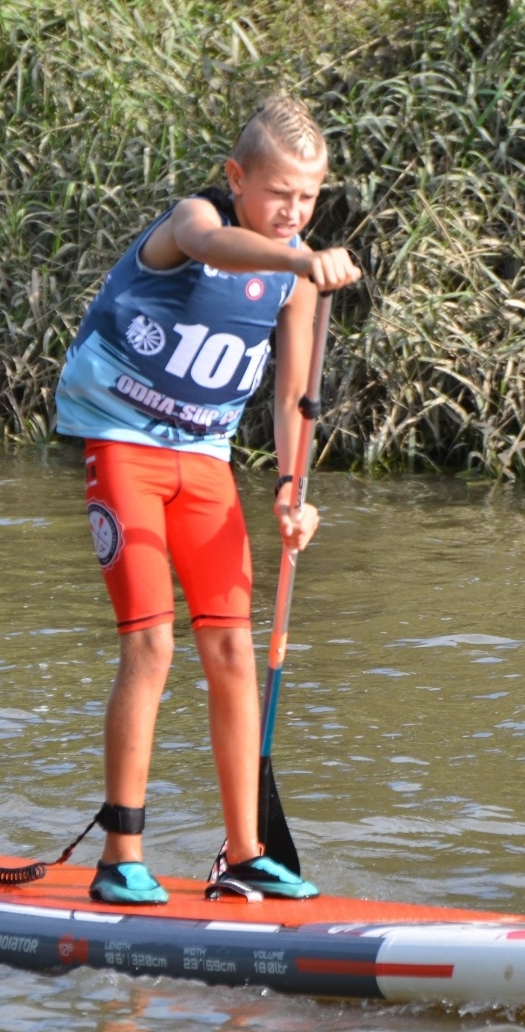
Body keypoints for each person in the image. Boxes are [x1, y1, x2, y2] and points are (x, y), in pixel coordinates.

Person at [52, 96, 362, 904]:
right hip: (123, 445)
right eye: (279, 193)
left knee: (232, 650)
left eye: (308, 198)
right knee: (152, 646)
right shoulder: (195, 220)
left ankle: (244, 853)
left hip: (204, 462)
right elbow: (211, 246)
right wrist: (300, 260)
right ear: (237, 177)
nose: (293, 212)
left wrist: (292, 491)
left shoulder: (296, 278)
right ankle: (121, 855)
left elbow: (293, 398)